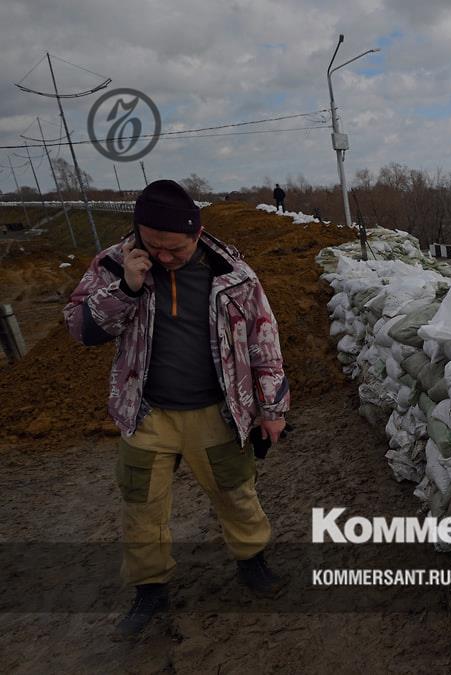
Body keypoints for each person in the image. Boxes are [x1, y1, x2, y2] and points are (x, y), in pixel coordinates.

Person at [64, 180, 290, 640]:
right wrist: (126, 289)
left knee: (235, 491)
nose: (163, 257)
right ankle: (150, 587)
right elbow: (80, 328)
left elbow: (263, 343)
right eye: (153, 246)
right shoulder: (113, 265)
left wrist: (272, 407)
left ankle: (252, 560)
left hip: (216, 410)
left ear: (196, 233)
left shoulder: (233, 274)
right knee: (140, 502)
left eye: (174, 249)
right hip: (148, 413)